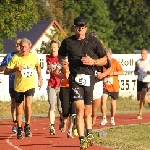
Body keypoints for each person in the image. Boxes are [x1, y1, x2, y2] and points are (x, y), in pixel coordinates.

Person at [58, 16, 107, 149]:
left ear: (86, 27)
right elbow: (60, 55)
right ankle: (81, 139)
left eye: (83, 26)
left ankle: (89, 133)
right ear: (74, 27)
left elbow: (105, 60)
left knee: (87, 111)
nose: (80, 28)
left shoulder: (94, 41)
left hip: (90, 79)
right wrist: (62, 62)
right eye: (78, 26)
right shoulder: (68, 42)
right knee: (79, 110)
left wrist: (93, 62)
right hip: (75, 79)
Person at [4, 38, 43, 139]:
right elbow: (6, 71)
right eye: (21, 47)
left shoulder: (33, 57)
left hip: (29, 85)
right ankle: (19, 128)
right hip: (18, 87)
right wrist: (15, 69)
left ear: (29, 47)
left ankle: (27, 126)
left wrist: (40, 77)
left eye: (25, 47)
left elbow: (37, 66)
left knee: (28, 105)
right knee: (19, 108)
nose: (23, 49)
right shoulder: (15, 58)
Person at [0, 38, 24, 133]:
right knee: (14, 103)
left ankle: (23, 120)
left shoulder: (26, 56)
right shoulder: (9, 55)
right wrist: (5, 67)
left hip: (24, 83)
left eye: (20, 44)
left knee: (24, 103)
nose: (18, 46)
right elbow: (1, 68)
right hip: (13, 83)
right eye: (16, 44)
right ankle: (15, 122)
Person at [88, 31, 112, 126]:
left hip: (97, 82)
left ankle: (90, 129)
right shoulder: (83, 50)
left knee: (94, 112)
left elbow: (109, 68)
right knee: (86, 110)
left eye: (95, 39)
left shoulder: (102, 54)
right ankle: (86, 130)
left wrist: (102, 75)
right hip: (86, 82)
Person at [100, 48, 124, 126]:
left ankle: (112, 118)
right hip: (105, 85)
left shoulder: (114, 62)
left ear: (110, 55)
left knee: (113, 103)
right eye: (105, 55)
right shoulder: (103, 63)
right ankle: (104, 118)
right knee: (103, 100)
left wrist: (113, 73)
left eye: (108, 55)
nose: (107, 57)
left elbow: (122, 72)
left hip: (114, 86)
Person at [55, 59, 77, 138]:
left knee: (73, 110)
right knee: (65, 110)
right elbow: (56, 73)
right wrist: (64, 75)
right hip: (64, 87)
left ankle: (69, 130)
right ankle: (64, 121)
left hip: (75, 86)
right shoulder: (62, 61)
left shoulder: (76, 59)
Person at [46, 40, 63, 135]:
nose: (53, 49)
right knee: (52, 106)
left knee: (61, 108)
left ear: (58, 48)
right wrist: (47, 71)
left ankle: (61, 120)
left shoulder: (61, 58)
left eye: (55, 47)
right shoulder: (47, 58)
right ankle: (52, 125)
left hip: (60, 85)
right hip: (51, 85)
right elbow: (47, 69)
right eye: (51, 47)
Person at [134, 48, 150, 119]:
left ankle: (140, 113)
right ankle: (149, 101)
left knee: (142, 96)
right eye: (142, 53)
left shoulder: (149, 62)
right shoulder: (138, 62)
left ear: (147, 54)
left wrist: (148, 73)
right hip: (139, 80)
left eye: (144, 53)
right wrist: (136, 72)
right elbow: (135, 71)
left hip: (146, 80)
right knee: (138, 97)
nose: (143, 55)